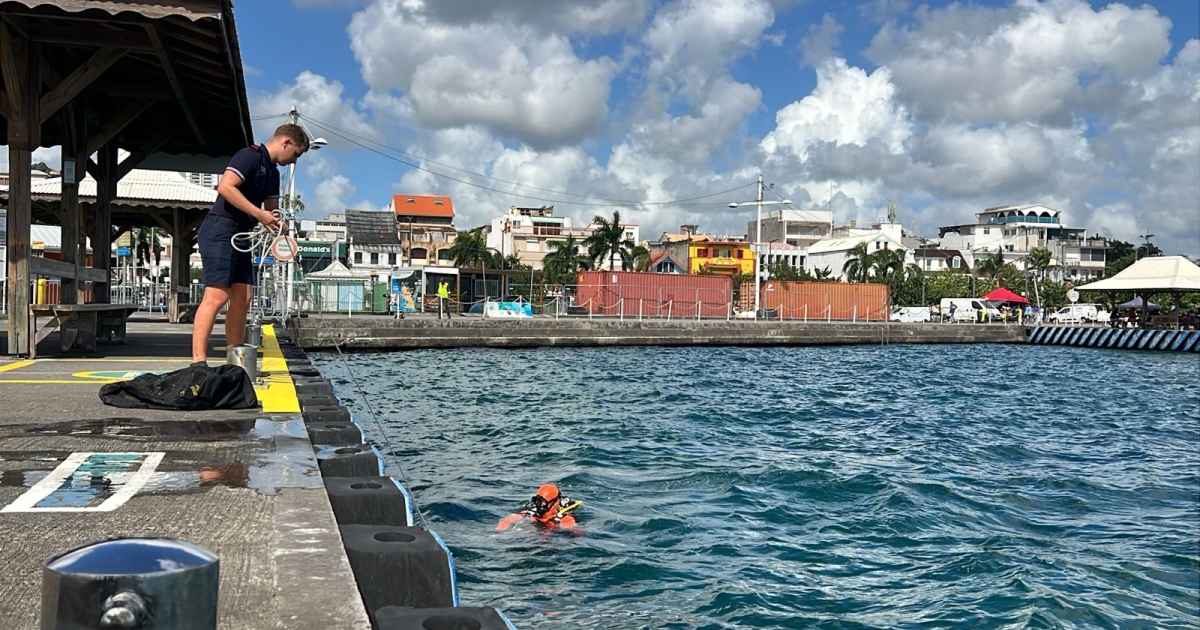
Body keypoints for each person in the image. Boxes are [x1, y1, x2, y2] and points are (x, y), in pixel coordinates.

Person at [191, 124, 310, 364]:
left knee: (243, 296)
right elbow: (225, 187)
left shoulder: (274, 173)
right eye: (296, 154)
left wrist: (277, 223)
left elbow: (271, 211)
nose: (294, 161)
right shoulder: (249, 156)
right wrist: (259, 214)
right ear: (286, 142)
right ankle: (198, 361)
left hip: (242, 234)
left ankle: (235, 360)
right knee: (217, 295)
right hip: (220, 228)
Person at [497, 483, 581, 530]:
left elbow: (574, 532)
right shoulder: (530, 514)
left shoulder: (564, 519)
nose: (540, 506)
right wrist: (500, 531)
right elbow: (506, 521)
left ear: (555, 502)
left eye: (543, 503)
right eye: (538, 502)